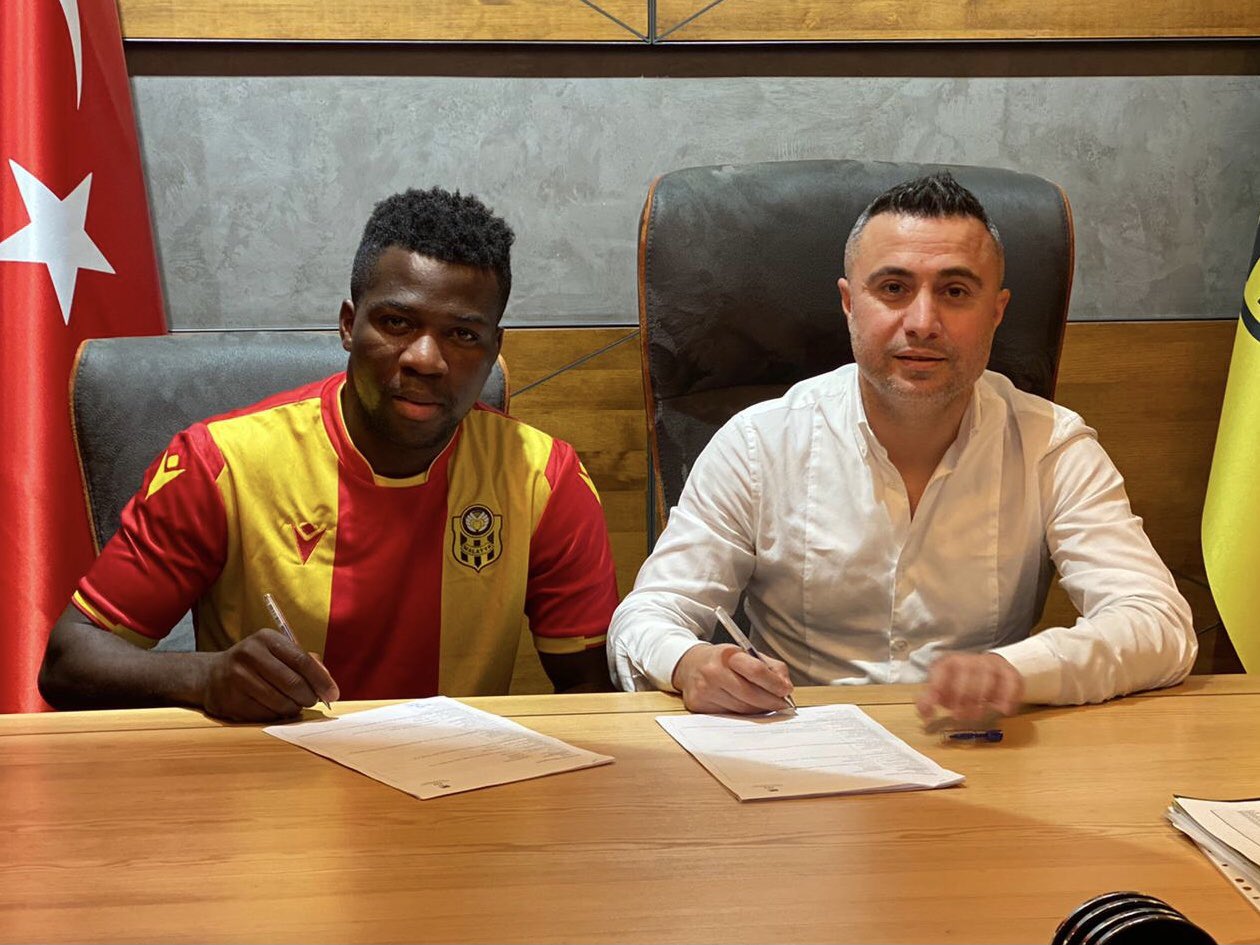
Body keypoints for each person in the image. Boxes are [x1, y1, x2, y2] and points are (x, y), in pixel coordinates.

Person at [608, 171, 1196, 722]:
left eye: (955, 291)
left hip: (980, 747)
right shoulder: (758, 444)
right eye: (893, 288)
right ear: (849, 303)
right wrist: (689, 663)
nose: (922, 321)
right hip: (796, 745)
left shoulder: (1051, 445)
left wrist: (1015, 671)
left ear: (997, 312)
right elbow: (647, 615)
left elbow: (1158, 624)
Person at [40, 187, 619, 721]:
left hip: (458, 783)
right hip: (270, 782)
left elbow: (589, 688)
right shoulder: (221, 464)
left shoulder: (545, 479)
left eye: (463, 334)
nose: (425, 358)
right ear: (348, 325)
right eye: (397, 322)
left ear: (494, 349)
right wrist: (204, 676)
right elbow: (69, 660)